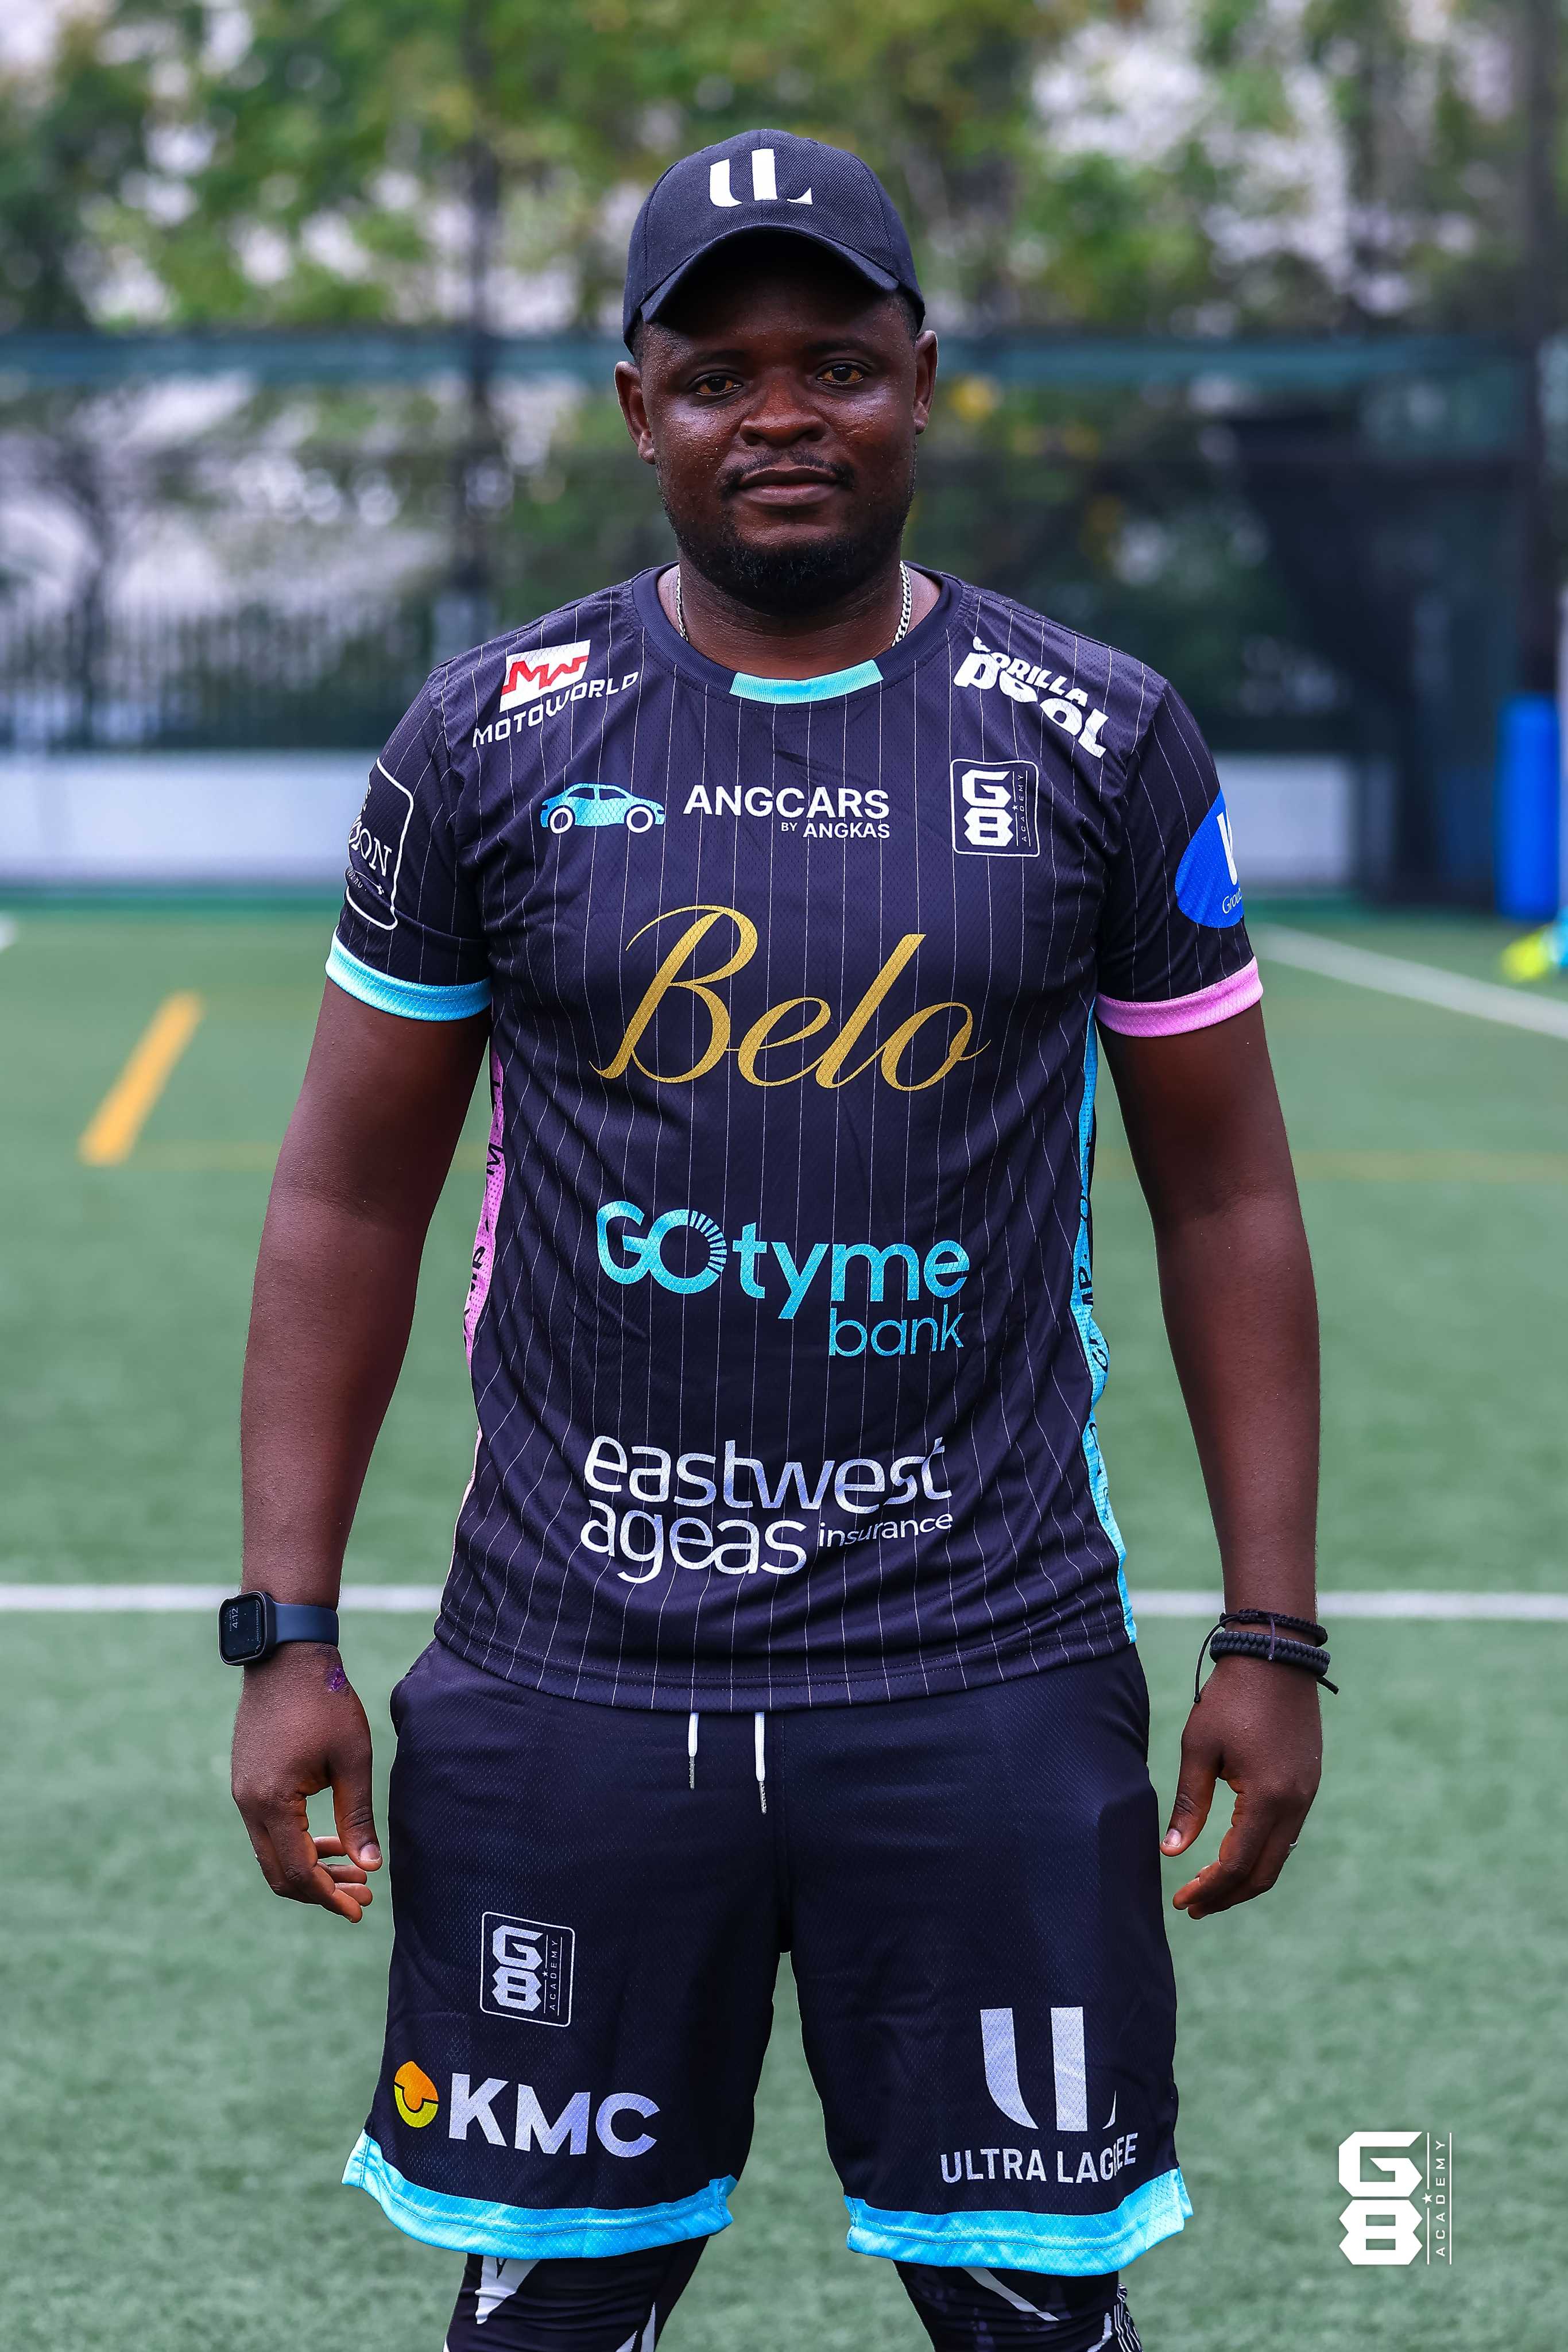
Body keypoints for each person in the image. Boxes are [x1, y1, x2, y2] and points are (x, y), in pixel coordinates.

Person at [227, 129, 1326, 2352]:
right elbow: (345, 1190)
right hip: (569, 1673)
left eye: (832, 361)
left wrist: (1271, 1634)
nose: (780, 414)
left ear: (921, 379)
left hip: (982, 1665)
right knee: (545, 2315)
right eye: (718, 374)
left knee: (1035, 2314)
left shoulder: (1099, 736)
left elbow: (1225, 1191)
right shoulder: (486, 740)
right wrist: (285, 1632)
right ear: (637, 407)